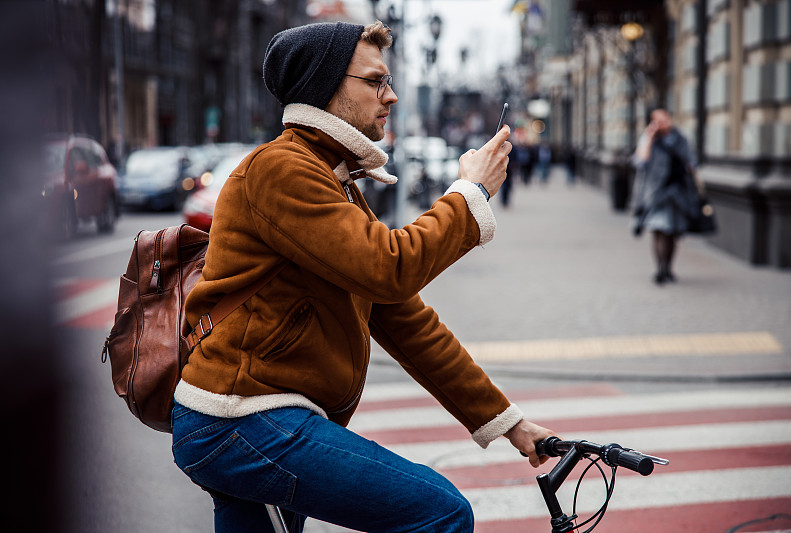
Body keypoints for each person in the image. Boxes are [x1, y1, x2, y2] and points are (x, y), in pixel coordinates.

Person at [171, 20, 556, 533]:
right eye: (375, 81)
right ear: (326, 86)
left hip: (252, 416)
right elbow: (391, 267)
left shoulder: (331, 180)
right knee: (440, 511)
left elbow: (406, 322)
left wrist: (507, 423)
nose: (391, 95)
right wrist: (469, 194)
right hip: (241, 417)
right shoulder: (281, 170)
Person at [630, 108, 699, 285]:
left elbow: (692, 161)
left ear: (670, 119)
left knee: (671, 232)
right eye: (657, 120)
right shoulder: (649, 139)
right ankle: (660, 269)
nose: (661, 123)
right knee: (659, 229)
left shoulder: (680, 138)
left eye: (664, 119)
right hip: (655, 192)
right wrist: (650, 138)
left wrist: (687, 167)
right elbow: (640, 161)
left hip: (677, 192)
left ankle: (668, 267)